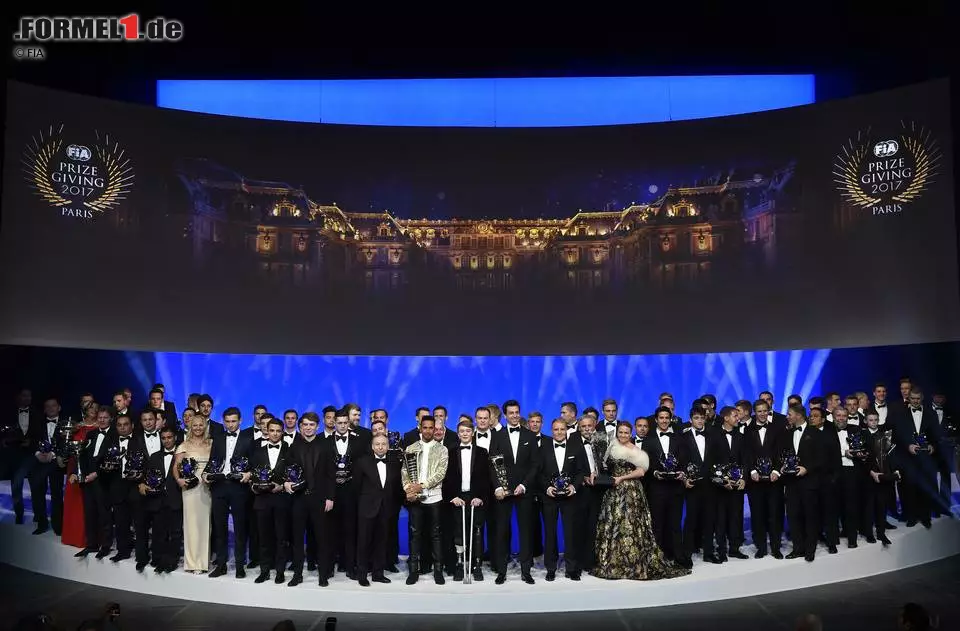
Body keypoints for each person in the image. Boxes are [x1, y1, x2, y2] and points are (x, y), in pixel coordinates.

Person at [593, 421, 690, 581]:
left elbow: (641, 472)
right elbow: (605, 467)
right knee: (615, 524)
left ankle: (634, 561)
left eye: (626, 433)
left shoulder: (636, 450)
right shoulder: (611, 447)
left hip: (631, 492)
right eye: (621, 432)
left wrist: (621, 478)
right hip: (613, 492)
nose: (623, 435)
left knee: (631, 525)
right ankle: (614, 560)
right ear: (617, 433)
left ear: (630, 434)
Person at [355, 434, 402, 586]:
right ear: (372, 446)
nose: (380, 447)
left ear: (388, 446)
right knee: (364, 542)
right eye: (377, 444)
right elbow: (355, 488)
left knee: (382, 542)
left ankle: (378, 573)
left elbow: (397, 488)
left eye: (383, 444)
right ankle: (362, 574)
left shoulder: (395, 463)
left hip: (386, 508)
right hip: (366, 508)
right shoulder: (362, 462)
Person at [173, 415, 213, 573]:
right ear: (190, 427)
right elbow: (175, 467)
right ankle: (191, 563)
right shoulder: (184, 445)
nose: (197, 428)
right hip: (189, 489)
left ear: (205, 426)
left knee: (205, 525)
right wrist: (179, 481)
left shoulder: (211, 444)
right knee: (190, 524)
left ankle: (202, 563)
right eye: (194, 425)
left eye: (200, 425)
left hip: (206, 487)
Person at [63, 403, 102, 552]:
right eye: (90, 409)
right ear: (84, 411)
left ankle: (88, 538)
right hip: (74, 465)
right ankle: (72, 536)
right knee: (74, 502)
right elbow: (67, 444)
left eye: (95, 409)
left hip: (91, 468)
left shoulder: (101, 427)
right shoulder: (76, 427)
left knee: (89, 504)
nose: (93, 411)